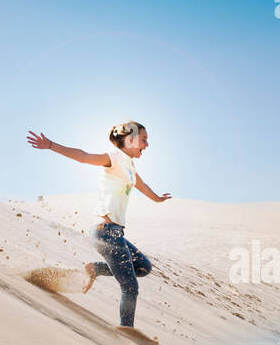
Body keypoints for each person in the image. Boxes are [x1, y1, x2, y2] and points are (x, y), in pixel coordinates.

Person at [26, 121, 171, 331]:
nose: (147, 145)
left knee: (143, 267)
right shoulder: (113, 158)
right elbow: (83, 156)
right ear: (129, 140)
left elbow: (143, 186)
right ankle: (126, 331)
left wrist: (158, 199)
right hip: (106, 232)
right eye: (144, 139)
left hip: (116, 234)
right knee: (130, 287)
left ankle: (95, 268)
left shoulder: (129, 167)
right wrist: (50, 145)